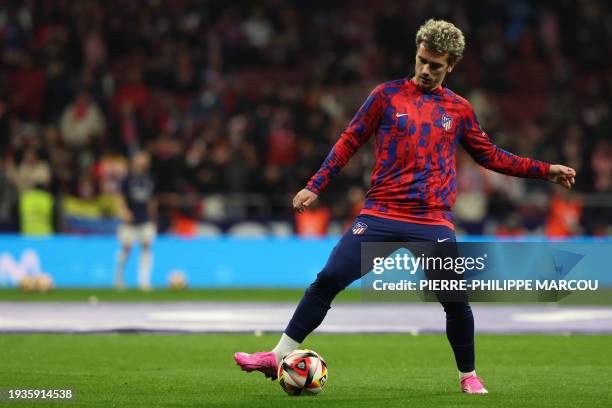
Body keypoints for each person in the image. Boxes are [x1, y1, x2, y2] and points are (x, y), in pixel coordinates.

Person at [234, 19, 576, 394]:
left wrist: (545, 171)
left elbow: (491, 156)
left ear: (452, 66)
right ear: (416, 55)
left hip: (431, 220)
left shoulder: (459, 109)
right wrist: (315, 185)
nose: (426, 70)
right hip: (380, 213)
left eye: (436, 65)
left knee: (455, 300)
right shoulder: (385, 96)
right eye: (422, 61)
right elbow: (349, 140)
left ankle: (468, 376)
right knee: (329, 279)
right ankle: (277, 355)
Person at [114, 151, 157, 291]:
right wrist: (124, 211)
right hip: (130, 220)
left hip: (145, 219)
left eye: (145, 158)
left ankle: (144, 281)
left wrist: (152, 217)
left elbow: (152, 199)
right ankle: (119, 278)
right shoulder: (127, 178)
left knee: (146, 247)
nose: (142, 161)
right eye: (140, 158)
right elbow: (119, 196)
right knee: (126, 248)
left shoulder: (150, 179)